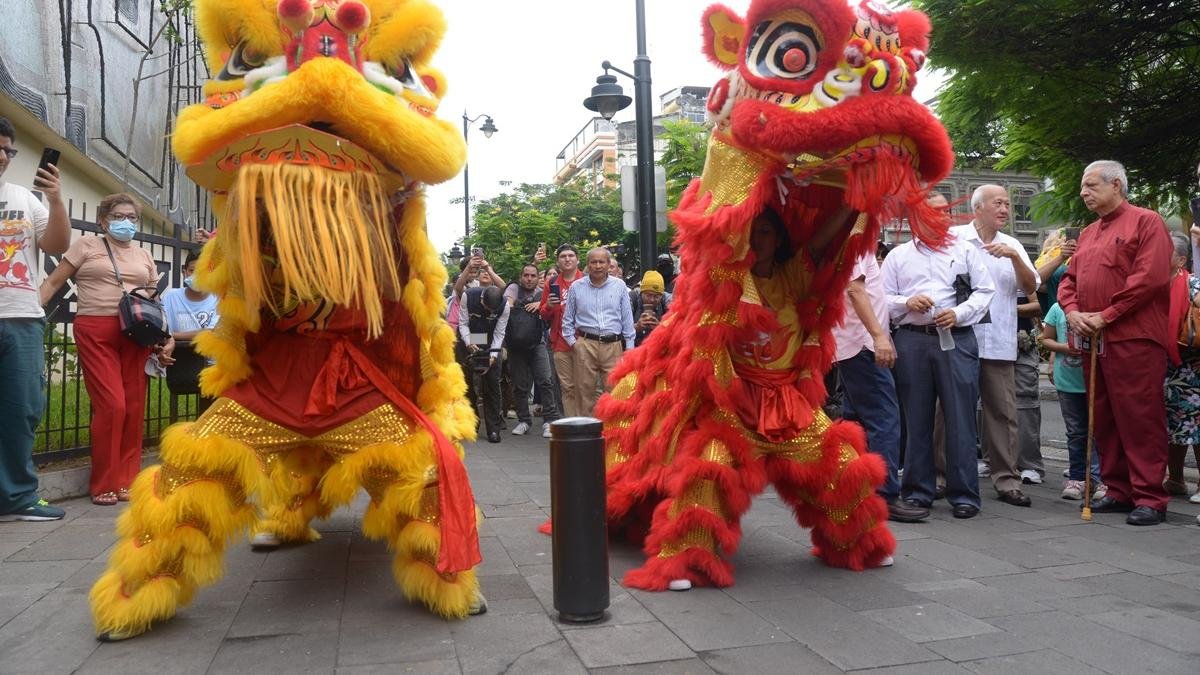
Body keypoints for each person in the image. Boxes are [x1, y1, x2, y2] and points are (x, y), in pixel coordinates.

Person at [1059, 159, 1173, 526]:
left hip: (1133, 337)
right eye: (1083, 186)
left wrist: (1105, 315)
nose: (1084, 192)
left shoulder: (1146, 221)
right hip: (1095, 338)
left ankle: (1150, 496)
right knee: (1103, 417)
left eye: (1091, 185)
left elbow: (1149, 278)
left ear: (1117, 185)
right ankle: (1119, 490)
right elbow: (1068, 280)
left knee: (1139, 416)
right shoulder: (1090, 232)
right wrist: (1073, 312)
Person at [39, 193, 160, 507]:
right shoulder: (86, 246)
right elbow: (53, 283)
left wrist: (165, 337)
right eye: (119, 216)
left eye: (132, 218)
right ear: (103, 220)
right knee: (113, 405)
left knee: (133, 408)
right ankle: (104, 481)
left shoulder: (144, 255)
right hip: (96, 329)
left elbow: (153, 299)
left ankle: (126, 479)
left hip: (136, 331)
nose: (126, 223)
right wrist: (29, 313)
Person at [882, 210, 996, 519]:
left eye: (945, 210)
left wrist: (959, 313)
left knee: (961, 417)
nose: (941, 216)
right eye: (933, 211)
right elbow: (882, 297)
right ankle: (918, 490)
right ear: (916, 217)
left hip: (956, 338)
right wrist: (906, 301)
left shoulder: (965, 250)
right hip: (912, 338)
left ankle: (965, 494)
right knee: (915, 417)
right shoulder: (898, 255)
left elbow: (985, 291)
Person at [949, 185, 1040, 508]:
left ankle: (1007, 480)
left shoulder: (1012, 244)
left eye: (1007, 204)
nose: (1005, 209)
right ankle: (940, 477)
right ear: (978, 208)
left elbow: (1031, 289)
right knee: (948, 409)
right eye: (998, 203)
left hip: (999, 340)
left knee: (1003, 413)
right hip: (958, 337)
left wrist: (1016, 258)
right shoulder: (954, 237)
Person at [0, 116, 69, 522]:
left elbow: (58, 244)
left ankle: (19, 496)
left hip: (21, 318)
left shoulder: (25, 199)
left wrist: (56, 200)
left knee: (21, 409)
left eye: (8, 150)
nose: (4, 156)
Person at [832, 250, 928, 523]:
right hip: (862, 343)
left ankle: (853, 488)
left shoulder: (856, 237)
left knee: (855, 422)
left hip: (854, 343)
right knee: (884, 418)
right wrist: (878, 336)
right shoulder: (857, 240)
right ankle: (884, 494)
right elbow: (856, 290)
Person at [1040, 301, 1103, 500]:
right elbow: (1046, 338)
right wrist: (1064, 348)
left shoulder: (1100, 307)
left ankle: (1101, 478)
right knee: (1076, 432)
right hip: (1067, 380)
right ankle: (1077, 478)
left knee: (1100, 432)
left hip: (1096, 380)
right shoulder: (1057, 308)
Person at [561, 247, 634, 416]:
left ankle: (611, 436)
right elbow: (567, 323)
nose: (598, 266)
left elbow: (627, 320)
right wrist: (576, 345)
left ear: (609, 265)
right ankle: (586, 436)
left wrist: (629, 349)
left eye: (602, 262)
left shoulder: (619, 286)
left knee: (615, 391)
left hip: (613, 345)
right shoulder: (576, 287)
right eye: (594, 262)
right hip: (586, 344)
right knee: (584, 393)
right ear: (587, 265)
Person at [158, 250, 219, 415]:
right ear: (185, 271)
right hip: (181, 366)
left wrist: (173, 335)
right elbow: (162, 329)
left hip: (214, 366)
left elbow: (212, 332)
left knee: (210, 414)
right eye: (193, 270)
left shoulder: (219, 298)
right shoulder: (171, 297)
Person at [1163, 231, 1200, 502]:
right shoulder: (1153, 285)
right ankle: (1175, 479)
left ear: (1181, 260)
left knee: (1196, 427)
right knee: (1171, 427)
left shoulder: (1193, 284)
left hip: (1192, 368)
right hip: (1163, 368)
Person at [505, 263, 559, 438]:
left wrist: (541, 303)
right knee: (520, 385)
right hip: (516, 345)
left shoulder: (542, 292)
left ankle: (549, 420)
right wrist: (511, 303)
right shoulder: (513, 288)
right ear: (521, 276)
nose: (529, 278)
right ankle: (524, 421)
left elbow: (551, 309)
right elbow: (508, 301)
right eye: (526, 275)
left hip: (538, 343)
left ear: (538, 278)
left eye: (533, 276)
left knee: (546, 381)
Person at [458, 284, 510, 443]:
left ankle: (493, 430)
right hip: (470, 338)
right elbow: (463, 323)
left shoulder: (505, 306)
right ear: (481, 299)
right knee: (466, 386)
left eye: (492, 311)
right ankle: (471, 424)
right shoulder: (468, 296)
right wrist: (468, 343)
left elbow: (500, 332)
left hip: (490, 341)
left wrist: (494, 354)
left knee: (492, 385)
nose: (489, 312)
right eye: (486, 308)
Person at [540, 244, 585, 415]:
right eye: (563, 256)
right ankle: (572, 428)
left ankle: (588, 427)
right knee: (568, 388)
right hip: (560, 344)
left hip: (584, 342)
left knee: (587, 387)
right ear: (558, 261)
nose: (567, 259)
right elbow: (543, 314)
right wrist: (549, 306)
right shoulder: (551, 283)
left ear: (577, 259)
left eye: (571, 255)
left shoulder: (586, 280)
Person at [630, 270, 669, 347]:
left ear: (662, 295)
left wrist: (660, 327)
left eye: (656, 296)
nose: (652, 300)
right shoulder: (632, 299)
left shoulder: (665, 302)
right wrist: (636, 327)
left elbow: (674, 330)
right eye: (648, 295)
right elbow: (618, 330)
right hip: (633, 351)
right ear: (641, 293)